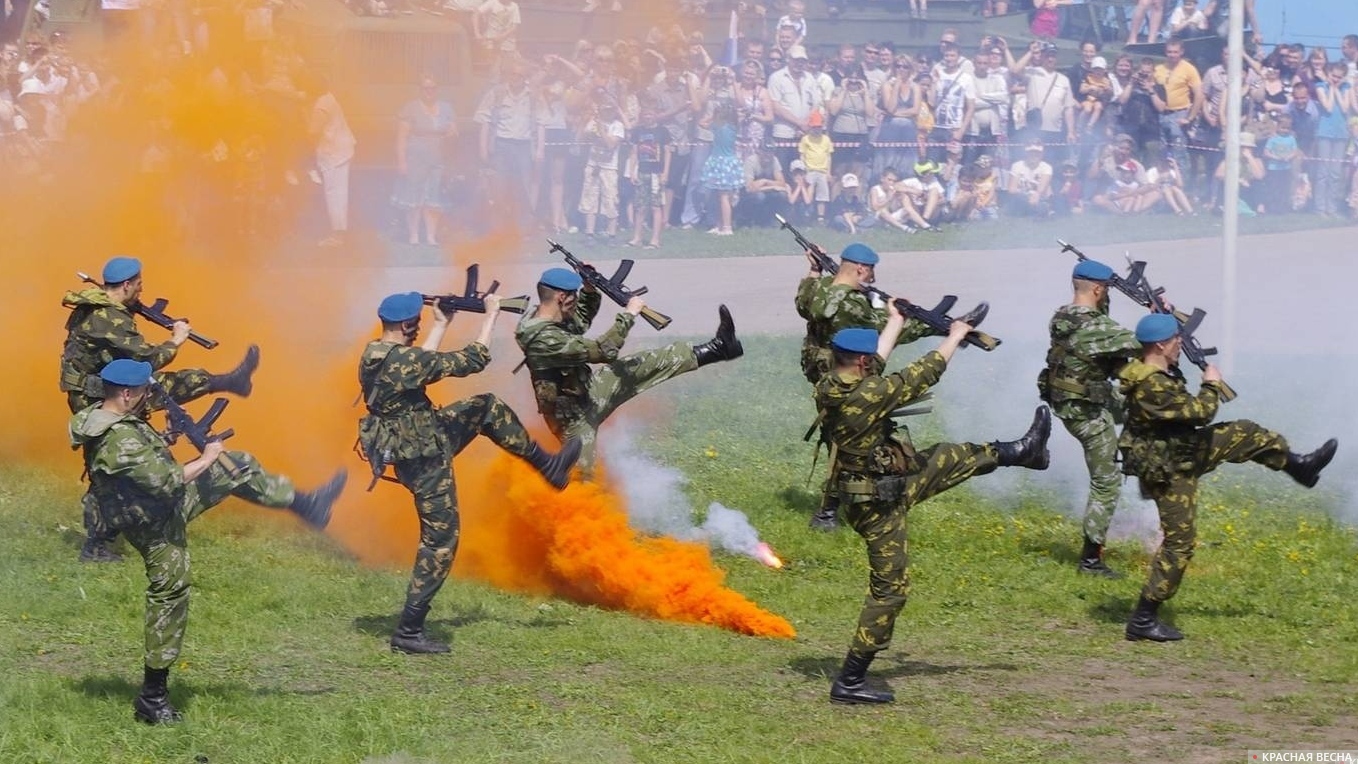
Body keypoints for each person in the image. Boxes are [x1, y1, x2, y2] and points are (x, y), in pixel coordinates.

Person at [69, 359, 348, 724]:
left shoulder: (105, 417)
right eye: (143, 392)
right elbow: (168, 480)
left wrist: (168, 439)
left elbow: (141, 462)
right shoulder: (119, 439)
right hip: (153, 523)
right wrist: (208, 456)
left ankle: (306, 504)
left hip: (149, 504)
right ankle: (153, 699)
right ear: (125, 393)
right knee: (170, 594)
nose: (148, 397)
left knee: (240, 466)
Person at [816, 320, 1052, 704]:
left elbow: (876, 361)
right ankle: (850, 680)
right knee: (890, 591)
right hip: (879, 506)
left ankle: (1020, 451)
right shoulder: (870, 394)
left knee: (946, 456)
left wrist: (896, 319)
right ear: (861, 362)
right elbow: (923, 373)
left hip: (872, 488)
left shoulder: (831, 384)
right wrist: (955, 336)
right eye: (868, 359)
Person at [359, 292, 581, 654]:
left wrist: (443, 323)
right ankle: (409, 631)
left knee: (486, 408)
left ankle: (548, 465)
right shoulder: (405, 361)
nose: (418, 326)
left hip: (424, 434)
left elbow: (419, 362)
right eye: (416, 321)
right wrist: (490, 315)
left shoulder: (375, 353)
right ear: (404, 325)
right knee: (440, 541)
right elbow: (474, 359)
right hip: (423, 457)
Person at [1117, 313, 1338, 641]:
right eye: (1175, 340)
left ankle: (1298, 466)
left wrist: (1162, 310)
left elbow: (1168, 372)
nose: (1180, 343)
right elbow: (1199, 413)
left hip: (1181, 451)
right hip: (1170, 470)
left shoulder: (1149, 367)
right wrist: (1211, 383)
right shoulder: (1153, 384)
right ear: (1161, 344)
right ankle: (1143, 619)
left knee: (1245, 433)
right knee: (1180, 544)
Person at [61, 256, 261, 563]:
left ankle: (232, 381)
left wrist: (140, 309)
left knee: (171, 386)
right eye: (138, 285)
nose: (142, 290)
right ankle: (97, 546)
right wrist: (176, 340)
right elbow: (146, 361)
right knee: (106, 472)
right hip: (99, 398)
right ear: (126, 285)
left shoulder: (104, 305)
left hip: (114, 387)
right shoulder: (108, 317)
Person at [516, 268, 743, 478]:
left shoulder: (541, 316)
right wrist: (629, 314)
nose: (575, 300)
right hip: (572, 421)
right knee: (582, 480)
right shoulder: (544, 339)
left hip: (588, 392)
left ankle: (719, 348)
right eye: (574, 295)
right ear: (561, 298)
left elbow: (579, 322)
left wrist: (589, 290)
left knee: (644, 363)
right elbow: (604, 351)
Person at [793, 243, 957, 530]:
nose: (873, 278)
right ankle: (833, 511)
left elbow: (802, 301)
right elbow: (884, 330)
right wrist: (936, 326)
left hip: (824, 377)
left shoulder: (819, 290)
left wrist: (814, 268)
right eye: (870, 271)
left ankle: (836, 508)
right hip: (851, 379)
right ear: (860, 268)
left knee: (837, 438)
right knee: (847, 444)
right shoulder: (850, 303)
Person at [1038, 260, 1143, 578]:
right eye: (1106, 291)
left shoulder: (1062, 316)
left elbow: (1104, 351)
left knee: (1140, 410)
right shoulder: (1099, 328)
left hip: (1071, 400)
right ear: (1098, 290)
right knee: (1107, 480)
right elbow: (1147, 343)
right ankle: (1091, 560)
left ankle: (1140, 452)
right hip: (1085, 411)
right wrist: (1160, 313)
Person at [393, 75, 457, 246]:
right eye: (425, 88)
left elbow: (453, 131)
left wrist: (452, 133)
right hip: (415, 158)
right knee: (414, 197)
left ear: (437, 89)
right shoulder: (410, 108)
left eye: (432, 88)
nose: (429, 91)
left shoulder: (446, 108)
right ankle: (413, 235)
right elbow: (401, 137)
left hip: (438, 158)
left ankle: (431, 236)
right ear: (420, 90)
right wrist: (401, 161)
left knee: (434, 197)